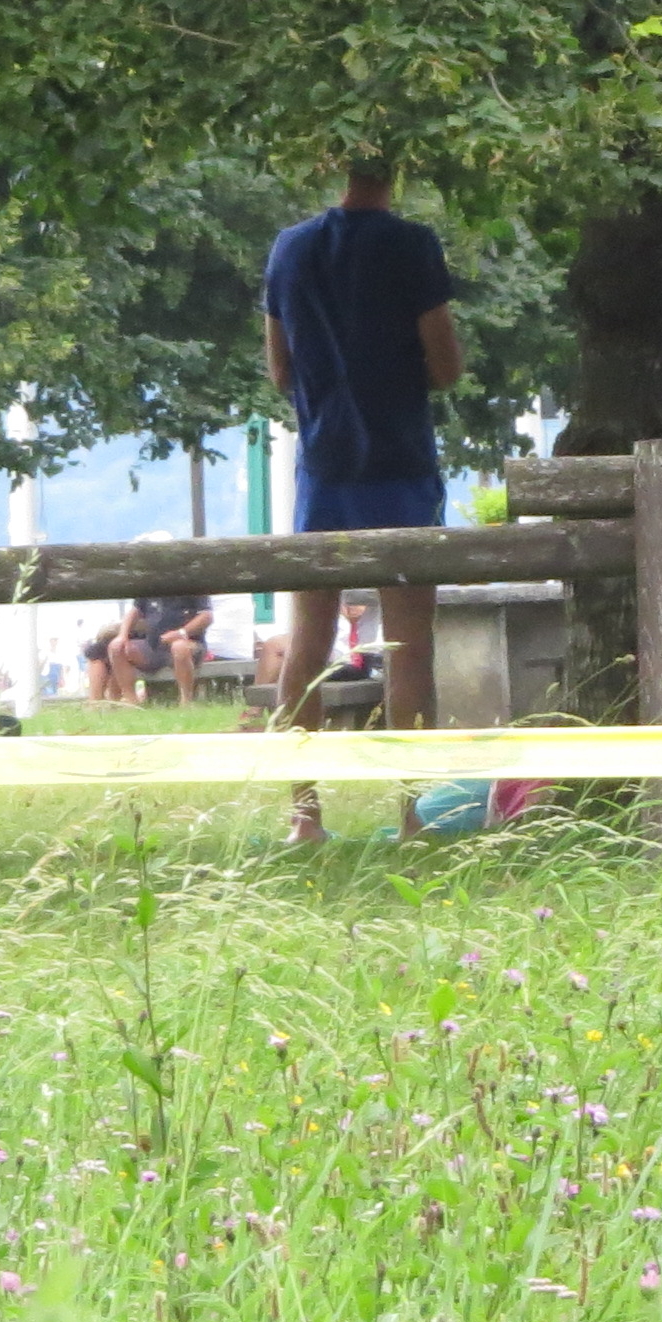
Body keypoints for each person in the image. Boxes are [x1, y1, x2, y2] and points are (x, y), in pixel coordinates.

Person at [263, 158, 464, 840]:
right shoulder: (413, 246)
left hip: (324, 466)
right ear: (396, 170)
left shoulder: (290, 248)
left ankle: (304, 816)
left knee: (307, 644)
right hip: (402, 463)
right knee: (409, 646)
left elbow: (278, 368)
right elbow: (444, 364)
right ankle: (411, 814)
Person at [83, 593, 214, 704]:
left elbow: (207, 616)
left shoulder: (193, 587)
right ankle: (131, 701)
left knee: (179, 647)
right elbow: (135, 611)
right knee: (116, 647)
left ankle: (186, 702)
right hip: (153, 645)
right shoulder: (149, 587)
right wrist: (122, 635)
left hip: (189, 642)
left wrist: (181, 633)